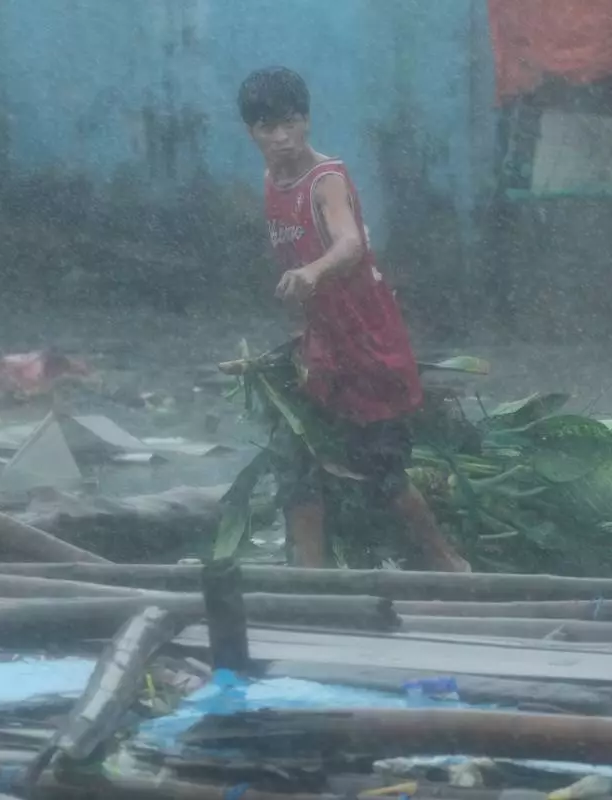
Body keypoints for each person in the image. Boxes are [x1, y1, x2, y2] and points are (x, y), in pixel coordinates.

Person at [236, 66, 470, 572]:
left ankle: (450, 563)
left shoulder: (326, 181)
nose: (282, 138)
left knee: (380, 473)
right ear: (250, 133)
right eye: (267, 129)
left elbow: (350, 243)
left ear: (306, 121)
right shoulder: (271, 181)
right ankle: (312, 582)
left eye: (290, 124)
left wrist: (313, 273)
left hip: (368, 346)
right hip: (324, 345)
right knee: (297, 468)